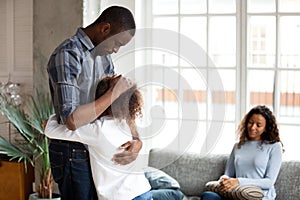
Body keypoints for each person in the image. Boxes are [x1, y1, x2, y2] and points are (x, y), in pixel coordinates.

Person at [47, 6, 141, 200]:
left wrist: (136, 139)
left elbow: (118, 104)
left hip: (94, 147)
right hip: (71, 151)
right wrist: (114, 92)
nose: (115, 50)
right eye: (117, 43)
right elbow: (71, 120)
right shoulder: (68, 54)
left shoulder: (104, 57)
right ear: (105, 28)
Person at [45, 76, 152, 200]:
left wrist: (56, 117)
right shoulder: (129, 123)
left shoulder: (98, 130)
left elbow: (50, 129)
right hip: (143, 191)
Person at [201, 105, 284, 200]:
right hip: (236, 194)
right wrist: (224, 181)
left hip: (259, 196)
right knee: (208, 196)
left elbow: (269, 182)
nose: (253, 127)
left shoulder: (274, 146)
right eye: (250, 122)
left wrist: (238, 181)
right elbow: (228, 173)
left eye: (258, 125)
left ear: (266, 128)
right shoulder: (238, 146)